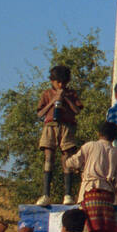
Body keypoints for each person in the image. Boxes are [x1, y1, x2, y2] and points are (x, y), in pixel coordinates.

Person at [65, 121, 117, 232]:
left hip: (89, 193)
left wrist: (66, 159)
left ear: (99, 133)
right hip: (106, 198)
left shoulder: (90, 146)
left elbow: (73, 163)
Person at [36, 65, 82, 206]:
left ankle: (67, 194)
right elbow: (40, 113)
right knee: (49, 158)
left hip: (67, 126)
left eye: (64, 82)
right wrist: (54, 100)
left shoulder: (71, 93)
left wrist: (65, 99)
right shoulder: (46, 93)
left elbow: (77, 110)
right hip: (50, 126)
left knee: (66, 159)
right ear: (52, 81)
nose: (61, 85)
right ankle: (45, 194)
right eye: (58, 82)